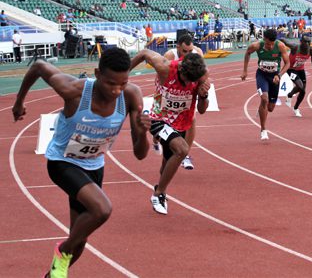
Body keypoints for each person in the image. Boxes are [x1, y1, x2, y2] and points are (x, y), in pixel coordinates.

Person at [12, 47, 151, 278]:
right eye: (110, 84)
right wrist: (19, 103)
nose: (117, 91)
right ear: (97, 74)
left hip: (94, 166)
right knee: (102, 209)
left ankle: (53, 272)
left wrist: (143, 132)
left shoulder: (131, 96)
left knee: (81, 239)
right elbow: (38, 66)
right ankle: (62, 250)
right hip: (63, 162)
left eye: (122, 83)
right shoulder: (73, 90)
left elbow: (140, 154)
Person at [130, 49, 210, 215]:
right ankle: (159, 194)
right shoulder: (165, 67)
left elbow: (202, 110)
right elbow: (144, 53)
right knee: (182, 149)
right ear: (180, 70)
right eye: (187, 81)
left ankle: (160, 188)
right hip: (158, 119)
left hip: (181, 124)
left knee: (166, 165)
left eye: (192, 83)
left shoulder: (200, 76)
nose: (189, 85)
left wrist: (203, 96)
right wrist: (124, 74)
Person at [160, 34, 204, 170]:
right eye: (185, 51)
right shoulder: (169, 55)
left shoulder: (198, 53)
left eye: (190, 51)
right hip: (167, 92)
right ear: (178, 47)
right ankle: (158, 140)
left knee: (192, 120)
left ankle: (185, 154)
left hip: (187, 93)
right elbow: (161, 77)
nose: (188, 54)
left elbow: (201, 72)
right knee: (163, 124)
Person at [240, 28, 290, 140]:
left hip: (275, 77)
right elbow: (247, 53)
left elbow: (287, 64)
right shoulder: (256, 45)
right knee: (264, 99)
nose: (270, 46)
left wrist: (279, 75)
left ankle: (261, 109)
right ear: (264, 39)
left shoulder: (280, 46)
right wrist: (245, 70)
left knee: (270, 108)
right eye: (268, 44)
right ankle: (263, 129)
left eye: (272, 44)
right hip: (261, 75)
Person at [280, 35, 312, 117]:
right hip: (291, 69)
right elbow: (284, 40)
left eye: (309, 42)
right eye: (306, 42)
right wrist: (274, 40)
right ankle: (291, 96)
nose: (308, 44)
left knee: (303, 91)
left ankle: (295, 106)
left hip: (300, 69)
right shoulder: (295, 47)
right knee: (300, 87)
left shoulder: (311, 50)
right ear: (301, 42)